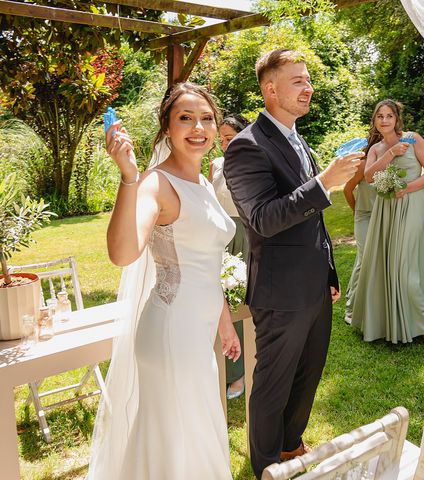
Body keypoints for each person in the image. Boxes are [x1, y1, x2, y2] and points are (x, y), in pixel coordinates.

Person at [87, 82, 241, 480]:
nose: (199, 127)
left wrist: (224, 322)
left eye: (207, 118)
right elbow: (123, 253)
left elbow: (206, 263)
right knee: (178, 439)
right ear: (167, 128)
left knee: (191, 432)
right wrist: (128, 178)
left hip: (199, 328)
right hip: (173, 331)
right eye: (185, 118)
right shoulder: (156, 184)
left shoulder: (204, 183)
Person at [223, 49, 363, 478]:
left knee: (309, 372)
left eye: (308, 79)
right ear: (271, 89)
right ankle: (266, 464)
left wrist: (329, 274)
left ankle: (290, 444)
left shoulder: (297, 137)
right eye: (298, 80)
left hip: (314, 284)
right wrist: (325, 182)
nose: (309, 87)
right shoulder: (246, 147)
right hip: (280, 290)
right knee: (273, 382)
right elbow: (263, 219)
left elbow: (313, 222)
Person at [351, 99, 424, 349]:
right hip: (385, 210)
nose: (384, 120)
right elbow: (369, 177)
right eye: (379, 116)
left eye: (389, 116)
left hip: (412, 206)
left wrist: (407, 188)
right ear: (375, 120)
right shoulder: (376, 149)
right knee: (389, 264)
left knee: (406, 267)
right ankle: (393, 321)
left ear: (397, 118)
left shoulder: (413, 139)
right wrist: (390, 153)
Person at [209, 113, 250, 399]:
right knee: (223, 302)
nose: (224, 144)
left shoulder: (256, 164)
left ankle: (245, 372)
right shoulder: (216, 166)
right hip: (222, 237)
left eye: (230, 138)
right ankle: (229, 368)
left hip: (249, 236)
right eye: (221, 139)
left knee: (246, 303)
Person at [342, 156, 376, 325]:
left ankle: (370, 304)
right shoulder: (364, 164)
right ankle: (350, 307)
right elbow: (347, 190)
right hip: (365, 217)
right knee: (363, 261)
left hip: (385, 218)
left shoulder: (394, 162)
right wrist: (356, 210)